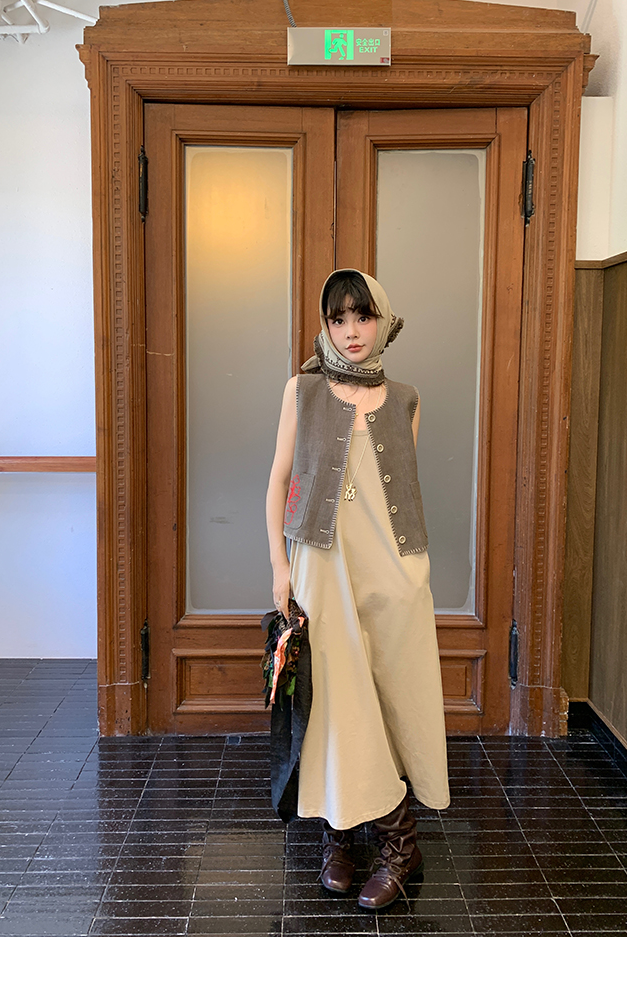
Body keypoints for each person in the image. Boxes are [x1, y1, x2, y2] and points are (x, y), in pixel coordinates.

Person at [265, 269, 450, 910]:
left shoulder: (407, 400)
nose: (350, 331)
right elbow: (278, 481)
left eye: (363, 316)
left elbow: (394, 497)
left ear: (383, 321)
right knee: (337, 702)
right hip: (321, 568)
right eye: (338, 318)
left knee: (390, 703)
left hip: (393, 574)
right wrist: (280, 568)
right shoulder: (302, 390)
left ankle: (358, 837)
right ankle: (375, 837)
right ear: (325, 325)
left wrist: (410, 577)